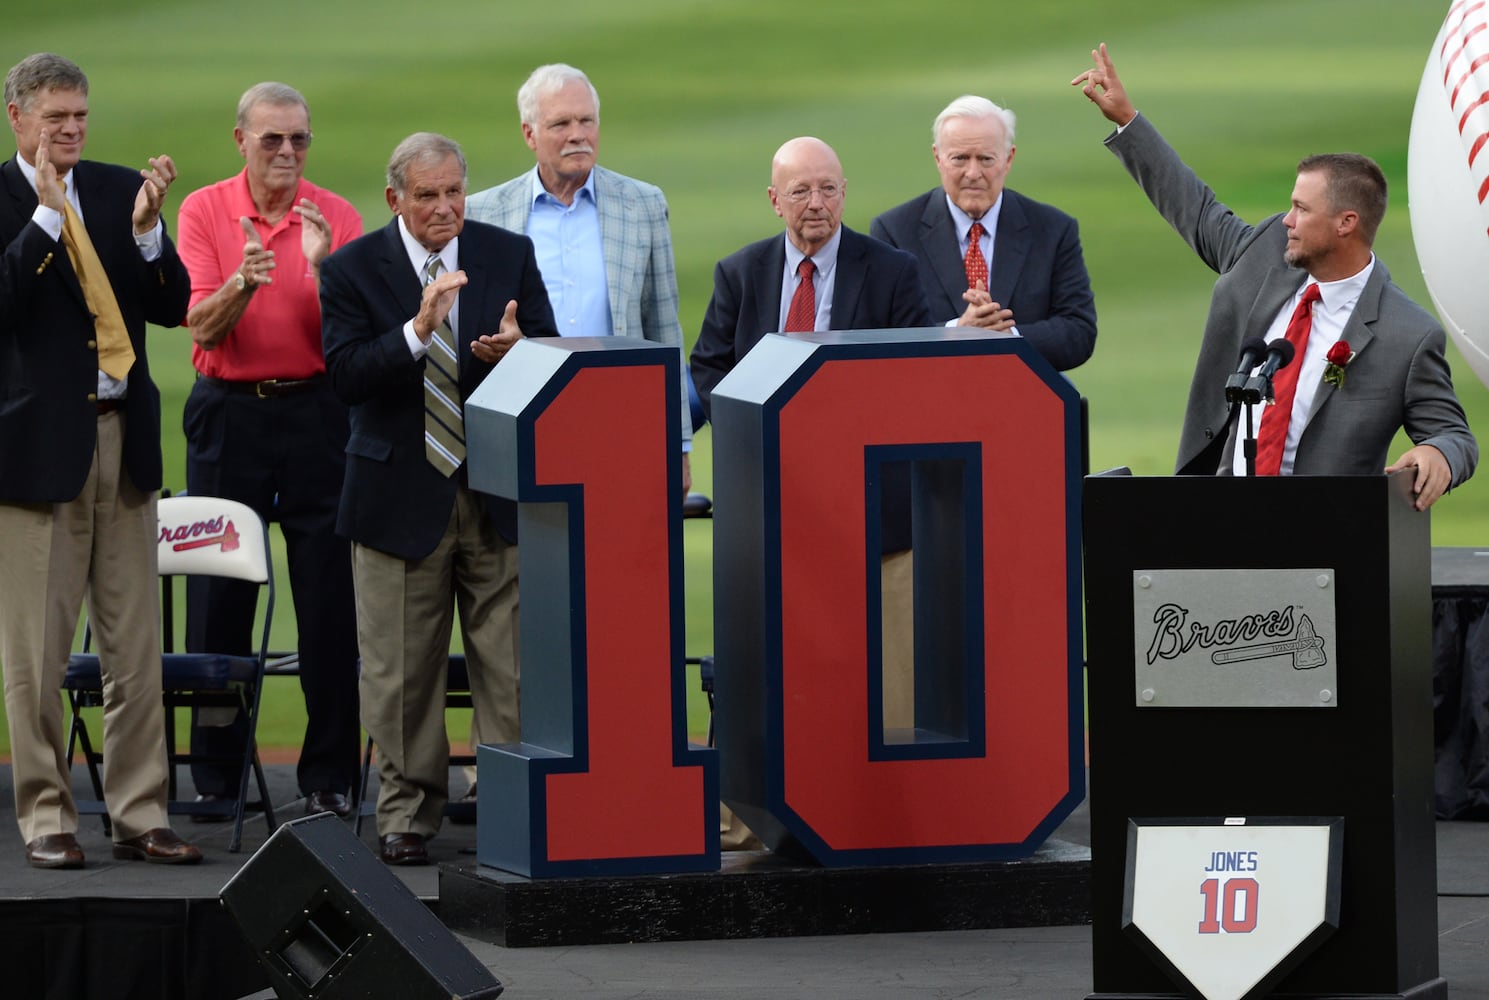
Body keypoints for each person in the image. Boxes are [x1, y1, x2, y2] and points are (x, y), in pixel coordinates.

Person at [1072, 43, 1476, 508]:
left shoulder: (1408, 335)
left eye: (1301, 209)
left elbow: (1454, 434)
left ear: (1346, 223)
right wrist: (1127, 119)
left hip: (1323, 540)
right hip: (1215, 515)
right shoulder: (1268, 253)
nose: (1286, 219)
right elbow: (1197, 211)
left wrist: (1437, 453)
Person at [319, 132, 559, 865]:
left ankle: (513, 806)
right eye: (427, 195)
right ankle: (406, 815)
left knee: (512, 667)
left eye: (454, 191)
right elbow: (346, 376)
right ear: (394, 199)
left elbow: (549, 353)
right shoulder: (352, 269)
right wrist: (417, 332)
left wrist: (522, 352)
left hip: (493, 492)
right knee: (399, 673)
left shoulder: (504, 252)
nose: (444, 207)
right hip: (396, 496)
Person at [463, 64, 694, 809]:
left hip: (619, 434)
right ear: (529, 133)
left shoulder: (640, 204)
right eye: (561, 125)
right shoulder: (485, 210)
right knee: (514, 612)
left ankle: (624, 768)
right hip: (519, 433)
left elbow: (664, 328)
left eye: (586, 121)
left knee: (621, 605)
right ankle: (511, 773)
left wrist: (679, 441)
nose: (577, 136)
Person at [689, 136, 931, 847]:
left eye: (826, 189)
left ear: (844, 192)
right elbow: (707, 368)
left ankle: (886, 818)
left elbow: (913, 375)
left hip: (871, 513)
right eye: (799, 192)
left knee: (885, 670)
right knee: (765, 664)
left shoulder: (891, 272)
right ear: (774, 201)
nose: (815, 204)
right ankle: (751, 819)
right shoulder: (740, 273)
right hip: (767, 507)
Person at [0, 52, 201, 867]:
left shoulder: (121, 191)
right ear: (17, 118)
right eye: (55, 118)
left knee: (133, 646)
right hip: (37, 455)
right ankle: (47, 816)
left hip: (124, 439)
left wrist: (152, 234)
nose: (71, 130)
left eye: (79, 115)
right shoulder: (6, 198)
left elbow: (174, 308)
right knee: (36, 654)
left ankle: (140, 810)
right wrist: (46, 221)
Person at [176, 82, 363, 820]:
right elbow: (200, 326)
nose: (287, 152)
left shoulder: (336, 216)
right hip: (231, 413)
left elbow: (349, 340)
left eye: (299, 140)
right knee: (220, 595)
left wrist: (319, 268)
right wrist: (243, 283)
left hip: (319, 413)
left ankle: (329, 776)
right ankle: (216, 777)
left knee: (328, 600)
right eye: (271, 140)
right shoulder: (204, 210)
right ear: (240, 141)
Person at [870, 95, 1096, 372]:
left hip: (1023, 402)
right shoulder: (894, 231)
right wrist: (956, 333)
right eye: (960, 158)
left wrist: (1008, 340)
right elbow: (880, 336)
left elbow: (1078, 331)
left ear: (1008, 158)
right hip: (930, 403)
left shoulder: (1053, 229)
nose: (973, 172)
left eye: (986, 159)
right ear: (938, 158)